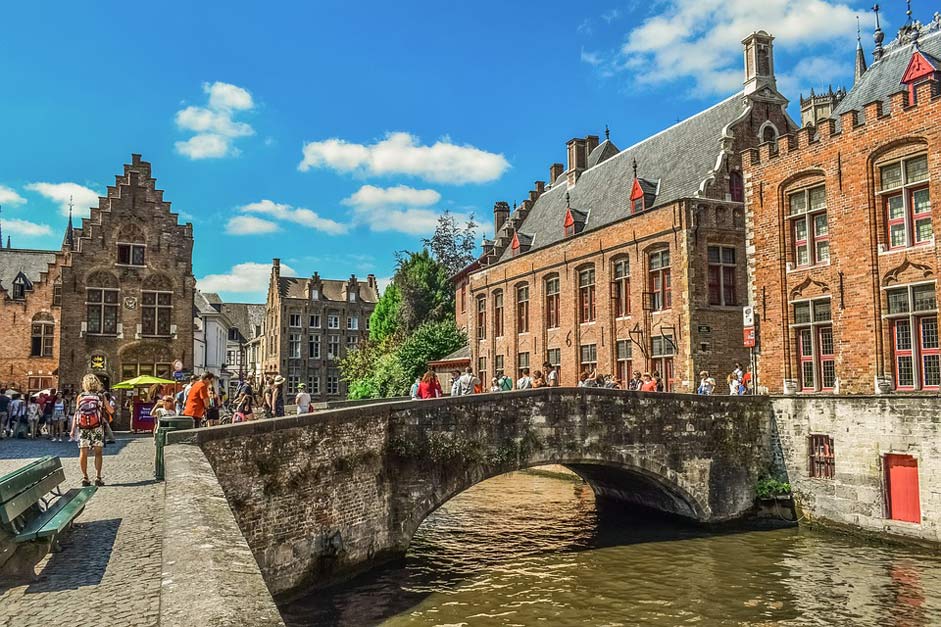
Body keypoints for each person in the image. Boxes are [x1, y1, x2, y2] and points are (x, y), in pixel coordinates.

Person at [75, 374, 107, 487]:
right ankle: (98, 477)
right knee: (98, 452)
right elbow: (111, 410)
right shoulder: (100, 396)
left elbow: (77, 413)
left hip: (83, 427)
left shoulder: (81, 396)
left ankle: (85, 477)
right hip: (97, 426)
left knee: (83, 453)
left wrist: (73, 428)